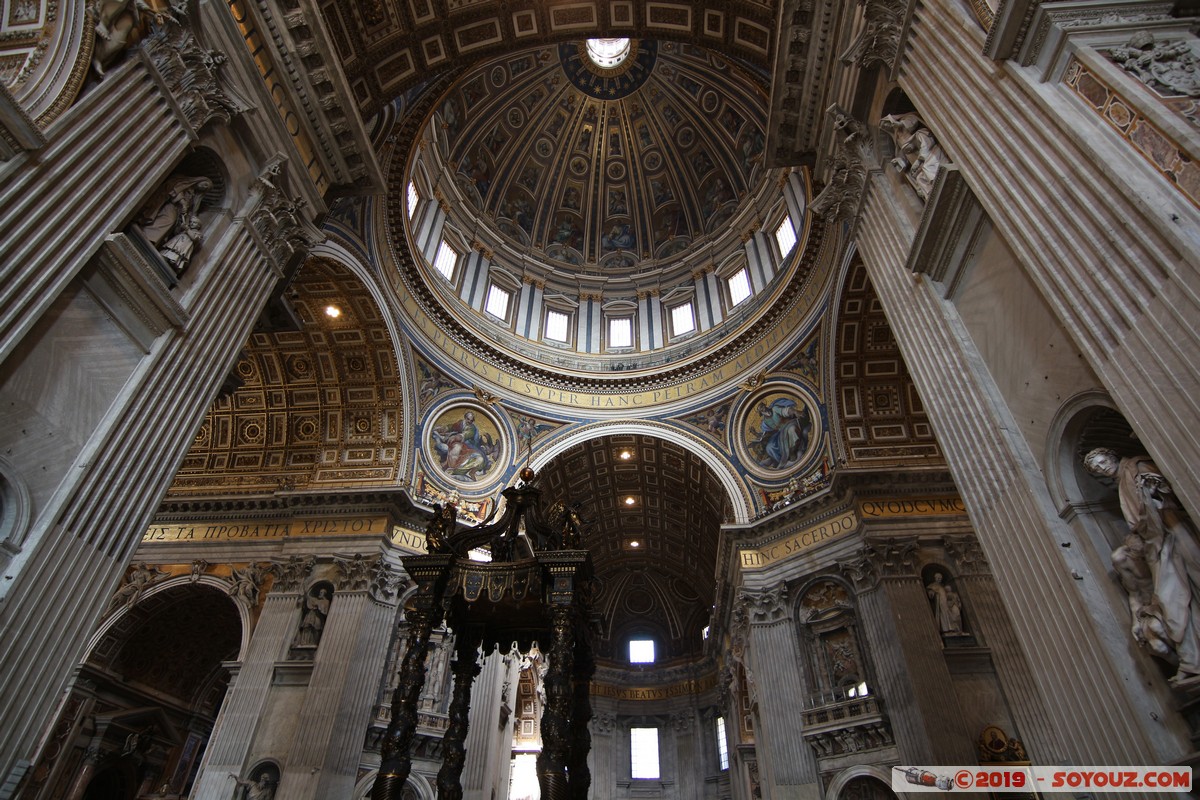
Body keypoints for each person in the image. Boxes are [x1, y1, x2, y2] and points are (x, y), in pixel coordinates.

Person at [1084, 447, 1200, 681]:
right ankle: (1191, 660)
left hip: (1170, 533)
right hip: (1154, 545)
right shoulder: (1121, 485)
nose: (1102, 467)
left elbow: (1163, 496)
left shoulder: (1137, 467)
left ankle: (1191, 660)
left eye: (1102, 461)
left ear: (1112, 455)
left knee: (1184, 588)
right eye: (1096, 467)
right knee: (1172, 603)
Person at [750, 397, 810, 470]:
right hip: (780, 433)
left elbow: (786, 411)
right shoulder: (765, 422)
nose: (763, 409)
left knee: (792, 430)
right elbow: (765, 434)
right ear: (760, 412)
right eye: (761, 409)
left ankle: (792, 451)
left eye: (762, 406)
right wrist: (755, 433)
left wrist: (795, 412)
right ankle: (781, 461)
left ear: (765, 405)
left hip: (789, 423)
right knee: (769, 447)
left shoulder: (774, 409)